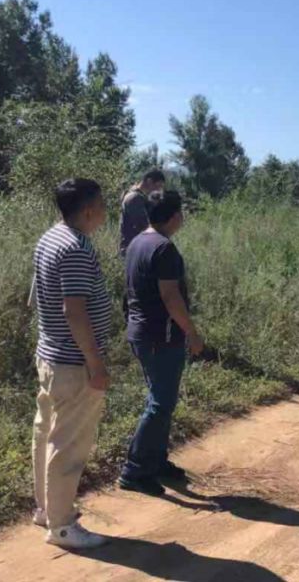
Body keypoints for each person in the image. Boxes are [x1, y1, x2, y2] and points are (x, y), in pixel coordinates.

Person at [31, 178, 113, 549]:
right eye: (103, 205)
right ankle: (62, 526)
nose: (106, 212)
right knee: (68, 445)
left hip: (50, 356)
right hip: (73, 364)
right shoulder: (76, 248)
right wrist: (95, 364)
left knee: (46, 434)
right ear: (89, 210)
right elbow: (74, 311)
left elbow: (37, 297)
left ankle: (47, 510)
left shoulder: (50, 238)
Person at [119, 190, 205, 497]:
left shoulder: (137, 242)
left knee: (161, 401)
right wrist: (192, 333)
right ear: (175, 216)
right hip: (161, 336)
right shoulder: (164, 248)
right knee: (160, 404)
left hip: (141, 333)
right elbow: (171, 296)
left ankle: (155, 462)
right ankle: (134, 470)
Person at [119, 169, 165, 255]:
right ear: (149, 181)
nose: (158, 190)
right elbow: (143, 225)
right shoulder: (134, 198)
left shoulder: (140, 197)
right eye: (158, 186)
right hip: (133, 250)